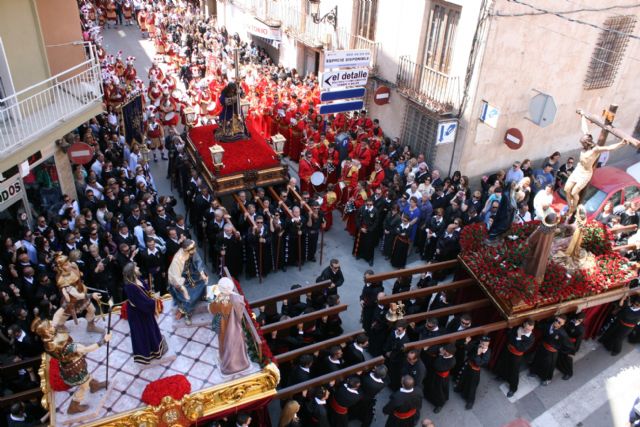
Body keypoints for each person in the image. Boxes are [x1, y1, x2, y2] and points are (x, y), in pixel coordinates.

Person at [31, 318, 110, 414]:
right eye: (49, 326)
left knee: (86, 376)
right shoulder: (61, 345)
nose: (52, 325)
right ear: (46, 331)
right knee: (83, 387)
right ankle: (73, 407)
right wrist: (104, 341)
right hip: (74, 368)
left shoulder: (48, 342)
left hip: (70, 365)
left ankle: (94, 386)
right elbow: (86, 349)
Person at [564, 118, 628, 219]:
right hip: (578, 169)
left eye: (583, 143)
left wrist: (621, 144)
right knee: (567, 189)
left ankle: (573, 208)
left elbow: (609, 148)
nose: (582, 144)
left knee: (574, 192)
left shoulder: (595, 150)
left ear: (587, 143)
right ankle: (570, 205)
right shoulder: (585, 144)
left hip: (585, 173)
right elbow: (584, 129)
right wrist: (583, 117)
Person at [122, 262, 167, 364]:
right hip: (138, 314)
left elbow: (146, 290)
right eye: (136, 267)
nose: (138, 268)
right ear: (132, 271)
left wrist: (153, 295)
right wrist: (154, 303)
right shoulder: (130, 287)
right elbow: (142, 302)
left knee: (151, 329)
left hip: (144, 311)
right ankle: (147, 354)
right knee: (144, 333)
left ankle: (156, 348)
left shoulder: (138, 279)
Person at [208, 277, 251, 375]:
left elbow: (212, 309)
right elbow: (240, 310)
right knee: (237, 343)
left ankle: (227, 361)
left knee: (224, 342)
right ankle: (241, 361)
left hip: (224, 324)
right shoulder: (236, 298)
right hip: (236, 325)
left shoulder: (220, 300)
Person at [51, 254, 103, 333]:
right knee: (64, 317)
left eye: (68, 262)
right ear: (61, 267)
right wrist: (92, 295)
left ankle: (91, 326)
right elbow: (77, 295)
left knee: (92, 310)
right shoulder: (62, 280)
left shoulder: (73, 265)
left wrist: (82, 286)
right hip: (71, 300)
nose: (69, 265)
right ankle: (60, 326)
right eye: (66, 264)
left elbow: (78, 278)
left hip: (82, 294)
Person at [167, 239, 208, 325]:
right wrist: (183, 289)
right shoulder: (177, 259)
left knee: (203, 281)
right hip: (182, 280)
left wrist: (202, 273)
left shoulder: (192, 250)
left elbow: (198, 261)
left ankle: (202, 296)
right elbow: (175, 277)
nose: (195, 250)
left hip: (193, 273)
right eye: (193, 249)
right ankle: (187, 314)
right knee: (189, 296)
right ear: (186, 250)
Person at [495, 319, 535, 397]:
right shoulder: (518, 328)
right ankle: (502, 376)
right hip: (508, 350)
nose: (527, 331)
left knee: (514, 372)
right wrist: (510, 329)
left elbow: (521, 348)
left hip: (516, 356)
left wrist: (519, 336)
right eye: (526, 328)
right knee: (505, 364)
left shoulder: (531, 338)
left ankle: (513, 389)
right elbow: (509, 336)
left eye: (530, 329)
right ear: (524, 325)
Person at [529, 315, 569, 385]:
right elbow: (540, 327)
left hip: (551, 351)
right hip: (543, 346)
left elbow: (565, 345)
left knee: (548, 366)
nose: (556, 323)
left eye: (559, 322)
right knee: (537, 359)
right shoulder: (548, 325)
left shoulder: (563, 334)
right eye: (556, 320)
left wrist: (556, 348)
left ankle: (546, 379)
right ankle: (534, 372)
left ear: (563, 324)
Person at [455, 336, 491, 410]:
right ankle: (459, 388)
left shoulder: (487, 352)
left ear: (488, 344)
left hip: (475, 370)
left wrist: (478, 354)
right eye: (482, 343)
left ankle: (470, 401)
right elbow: (467, 349)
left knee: (472, 386)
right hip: (468, 364)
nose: (483, 345)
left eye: (485, 344)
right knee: (463, 378)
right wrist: (467, 343)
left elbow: (479, 363)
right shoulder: (477, 344)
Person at [425, 343, 456, 413]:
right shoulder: (444, 355)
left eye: (446, 351)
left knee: (439, 391)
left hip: (442, 378)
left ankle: (440, 404)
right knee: (432, 387)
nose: (444, 352)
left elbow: (437, 366)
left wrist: (440, 356)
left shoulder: (452, 361)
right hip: (436, 375)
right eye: (444, 350)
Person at [556, 312, 585, 380]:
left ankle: (569, 373)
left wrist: (573, 352)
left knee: (568, 360)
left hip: (570, 346)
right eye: (576, 319)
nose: (576, 321)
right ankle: (559, 366)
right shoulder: (570, 321)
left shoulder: (581, 329)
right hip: (563, 342)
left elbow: (578, 342)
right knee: (560, 356)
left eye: (579, 320)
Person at [353, 198, 379, 266]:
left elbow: (376, 222)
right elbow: (357, 218)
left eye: (370, 204)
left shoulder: (375, 211)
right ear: (365, 203)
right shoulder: (362, 208)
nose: (369, 206)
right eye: (367, 204)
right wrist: (360, 228)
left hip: (369, 231)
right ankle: (360, 255)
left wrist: (368, 229)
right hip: (361, 229)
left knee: (369, 245)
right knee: (361, 243)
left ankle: (369, 259)